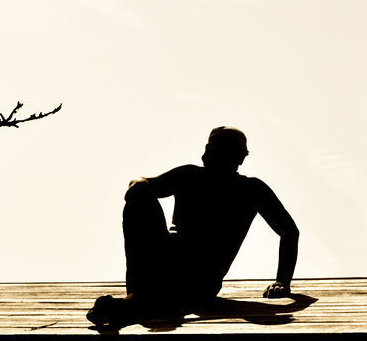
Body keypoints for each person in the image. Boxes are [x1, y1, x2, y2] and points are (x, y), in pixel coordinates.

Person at [87, 126, 300, 327]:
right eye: (208, 145)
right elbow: (143, 183)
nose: (207, 151)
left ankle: (127, 305)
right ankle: (132, 301)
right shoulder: (188, 175)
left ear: (239, 157)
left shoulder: (251, 189)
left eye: (215, 146)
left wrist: (282, 282)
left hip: (199, 281)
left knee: (153, 298)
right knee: (140, 196)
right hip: (158, 265)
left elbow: (289, 230)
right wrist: (138, 184)